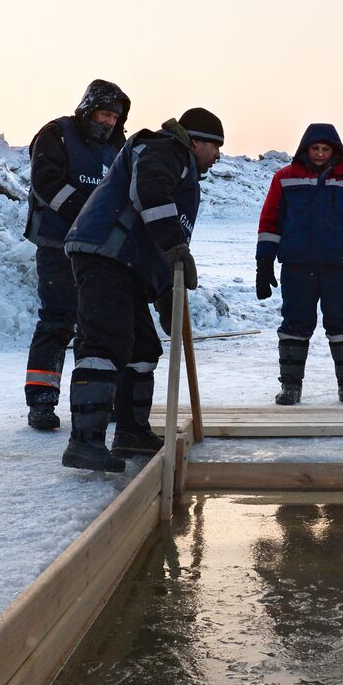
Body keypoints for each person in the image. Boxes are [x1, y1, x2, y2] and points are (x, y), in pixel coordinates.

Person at [59, 107, 225, 472]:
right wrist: (175, 248)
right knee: (104, 343)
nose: (217, 156)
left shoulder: (185, 175)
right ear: (195, 140)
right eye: (215, 147)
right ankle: (84, 442)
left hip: (130, 264)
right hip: (105, 253)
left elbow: (164, 242)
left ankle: (131, 432)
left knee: (143, 347)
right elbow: (149, 193)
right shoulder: (164, 150)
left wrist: (168, 294)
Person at [21, 79, 129, 430]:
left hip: (97, 249)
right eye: (104, 113)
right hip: (56, 243)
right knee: (56, 320)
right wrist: (89, 212)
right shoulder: (57, 134)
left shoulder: (118, 145)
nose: (110, 122)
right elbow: (46, 182)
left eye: (115, 116)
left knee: (95, 325)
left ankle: (92, 401)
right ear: (88, 108)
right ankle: (41, 401)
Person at [255, 123, 343, 406]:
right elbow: (270, 221)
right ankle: (290, 387)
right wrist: (264, 262)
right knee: (295, 325)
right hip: (298, 267)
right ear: (305, 149)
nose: (321, 154)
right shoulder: (285, 178)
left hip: (341, 267)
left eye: (326, 149)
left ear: (335, 150)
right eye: (315, 149)